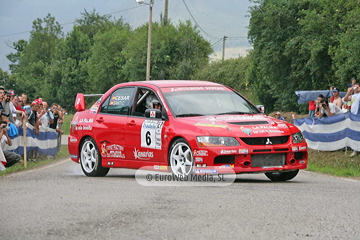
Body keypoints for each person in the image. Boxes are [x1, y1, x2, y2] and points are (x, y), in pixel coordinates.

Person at [343, 82, 360, 157]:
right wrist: (348, 92)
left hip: (358, 115)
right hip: (353, 116)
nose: (355, 89)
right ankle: (355, 150)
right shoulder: (353, 96)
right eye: (354, 87)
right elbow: (345, 99)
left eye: (357, 87)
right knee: (355, 132)